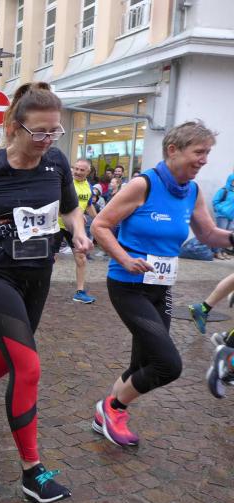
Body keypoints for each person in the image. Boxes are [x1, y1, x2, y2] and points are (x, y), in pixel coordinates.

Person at [0, 82, 89, 503]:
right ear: (14, 127)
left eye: (54, 132)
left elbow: (70, 208)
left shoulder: (56, 162)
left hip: (38, 274)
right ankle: (32, 471)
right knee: (27, 366)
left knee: (11, 356)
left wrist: (79, 232)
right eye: (38, 132)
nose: (47, 140)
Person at [90, 120, 233, 446]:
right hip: (128, 286)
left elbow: (208, 234)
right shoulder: (144, 185)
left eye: (207, 153)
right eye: (199, 152)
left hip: (160, 288)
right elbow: (100, 225)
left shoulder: (192, 191)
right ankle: (113, 408)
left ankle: (104, 416)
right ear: (173, 150)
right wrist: (124, 258)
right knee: (168, 365)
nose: (204, 160)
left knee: (142, 364)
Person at [56, 158, 98, 304]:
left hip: (75, 228)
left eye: (82, 170)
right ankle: (37, 288)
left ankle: (80, 292)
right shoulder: (66, 184)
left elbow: (89, 205)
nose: (78, 172)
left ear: (88, 171)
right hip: (58, 225)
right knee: (50, 259)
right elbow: (57, 204)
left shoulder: (88, 187)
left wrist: (99, 221)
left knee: (81, 257)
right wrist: (75, 214)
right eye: (76, 169)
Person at [210, 170, 234, 259]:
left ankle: (223, 251)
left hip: (231, 217)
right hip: (222, 216)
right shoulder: (224, 190)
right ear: (230, 181)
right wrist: (222, 210)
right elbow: (215, 201)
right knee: (220, 235)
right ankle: (216, 252)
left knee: (227, 236)